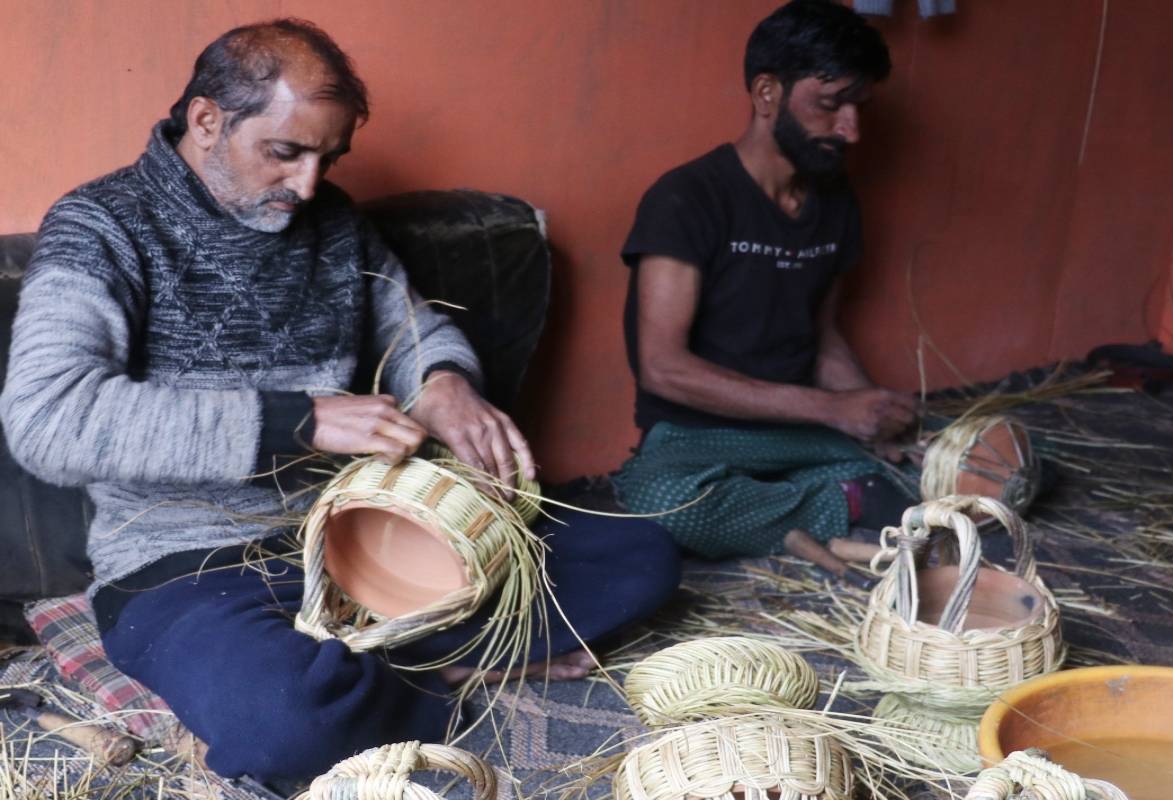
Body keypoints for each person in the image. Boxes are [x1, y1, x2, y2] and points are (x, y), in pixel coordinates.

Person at [0, 19, 679, 783]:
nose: (309, 186)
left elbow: (412, 325)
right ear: (206, 120)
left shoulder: (334, 223)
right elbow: (48, 418)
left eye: (329, 157)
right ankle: (439, 664)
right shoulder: (101, 226)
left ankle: (386, 666)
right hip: (187, 569)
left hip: (363, 537)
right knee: (284, 721)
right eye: (285, 152)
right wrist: (303, 420)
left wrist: (444, 385)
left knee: (639, 555)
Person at [611, 0, 916, 574]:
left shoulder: (835, 200)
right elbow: (662, 368)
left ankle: (860, 492)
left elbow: (822, 338)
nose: (851, 130)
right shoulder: (687, 199)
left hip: (800, 432)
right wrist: (833, 410)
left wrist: (872, 416)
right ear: (767, 92)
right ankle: (851, 501)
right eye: (831, 105)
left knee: (972, 467)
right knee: (665, 503)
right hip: (696, 440)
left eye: (858, 106)